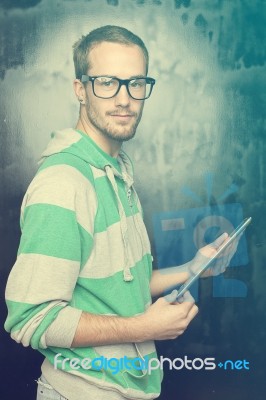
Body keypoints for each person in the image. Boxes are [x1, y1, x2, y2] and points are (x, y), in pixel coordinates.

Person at [4, 25, 235, 400]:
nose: (124, 98)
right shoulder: (64, 182)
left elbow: (115, 287)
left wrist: (191, 269)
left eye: (136, 83)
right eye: (107, 82)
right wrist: (143, 327)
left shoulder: (116, 171)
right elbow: (31, 318)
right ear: (80, 89)